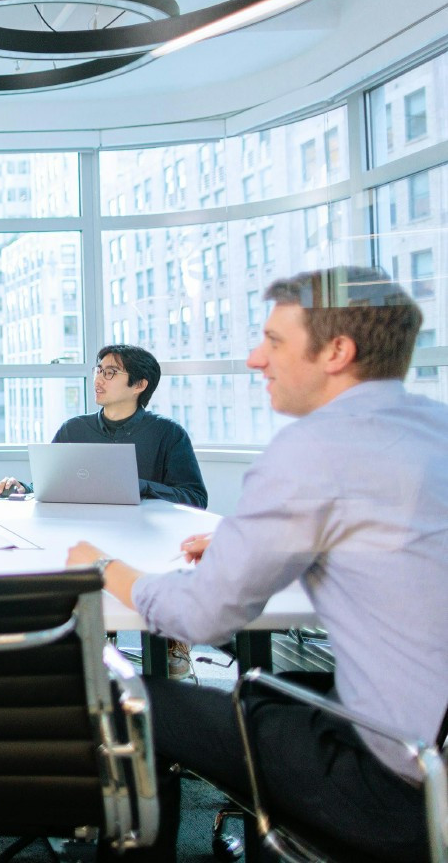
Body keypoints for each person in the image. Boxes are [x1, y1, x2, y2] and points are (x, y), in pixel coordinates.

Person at [67, 266, 448, 863]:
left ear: (337, 353)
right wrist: (249, 545)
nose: (253, 359)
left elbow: (201, 619)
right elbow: (389, 547)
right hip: (432, 738)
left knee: (130, 701)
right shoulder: (432, 427)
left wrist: (105, 566)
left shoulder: (315, 448)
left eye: (273, 342)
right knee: (274, 691)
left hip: (393, 780)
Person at [0, 343, 207, 509]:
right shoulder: (73, 429)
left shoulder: (168, 433)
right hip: (81, 533)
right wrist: (23, 488)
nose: (98, 380)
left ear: (139, 385)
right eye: (99, 370)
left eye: (110, 373)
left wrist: (141, 486)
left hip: (142, 536)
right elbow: (49, 488)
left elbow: (195, 498)